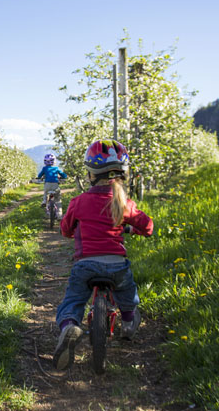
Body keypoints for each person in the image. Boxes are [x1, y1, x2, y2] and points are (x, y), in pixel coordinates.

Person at [52, 140, 153, 370]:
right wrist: (134, 228)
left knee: (74, 299)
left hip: (85, 265)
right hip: (117, 266)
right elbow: (148, 226)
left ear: (90, 174)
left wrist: (73, 231)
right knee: (128, 298)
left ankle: (69, 325)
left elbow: (65, 229)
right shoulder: (124, 203)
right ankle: (127, 323)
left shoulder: (78, 202)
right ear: (122, 175)